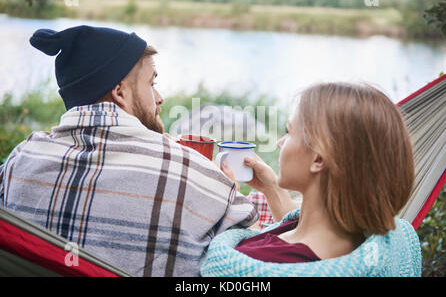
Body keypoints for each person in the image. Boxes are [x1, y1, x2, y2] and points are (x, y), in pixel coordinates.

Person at [0, 25, 258, 277]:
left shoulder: (20, 160)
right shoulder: (189, 171)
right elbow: (254, 253)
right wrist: (226, 185)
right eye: (151, 83)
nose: (159, 98)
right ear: (120, 92)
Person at [202, 82, 422, 276]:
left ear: (318, 158)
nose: (280, 142)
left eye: (289, 132)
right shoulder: (386, 240)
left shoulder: (248, 264)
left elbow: (273, 248)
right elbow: (295, 235)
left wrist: (231, 205)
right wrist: (272, 189)